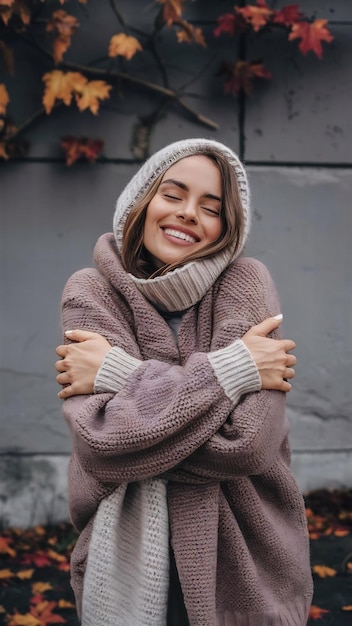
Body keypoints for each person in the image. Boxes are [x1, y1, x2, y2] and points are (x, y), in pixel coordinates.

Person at [55, 138, 313, 626]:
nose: (189, 213)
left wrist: (116, 373)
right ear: (142, 201)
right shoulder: (91, 291)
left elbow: (248, 445)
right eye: (173, 195)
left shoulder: (247, 284)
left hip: (244, 564)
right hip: (124, 558)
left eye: (210, 207)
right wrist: (234, 369)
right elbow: (100, 442)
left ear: (227, 226)